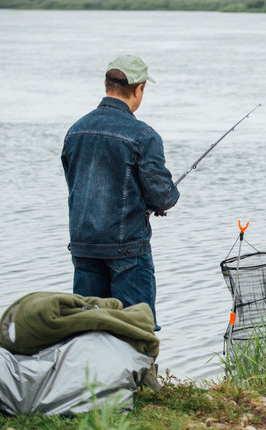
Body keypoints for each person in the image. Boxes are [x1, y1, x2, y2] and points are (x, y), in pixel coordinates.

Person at [61, 54, 180, 331]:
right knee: (135, 329)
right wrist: (161, 201)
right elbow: (163, 196)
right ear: (139, 89)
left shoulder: (75, 131)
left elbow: (76, 183)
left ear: (106, 84)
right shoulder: (142, 135)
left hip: (83, 246)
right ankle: (137, 375)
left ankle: (92, 374)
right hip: (128, 248)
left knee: (87, 328)